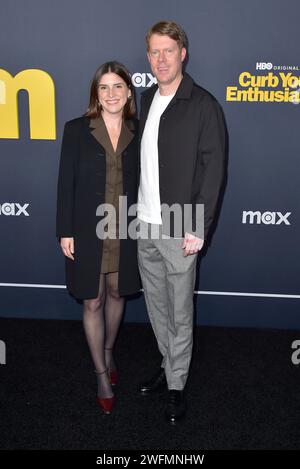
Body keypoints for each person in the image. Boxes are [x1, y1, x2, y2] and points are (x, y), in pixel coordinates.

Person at [137, 21, 226, 423]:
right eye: (154, 52)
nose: (160, 59)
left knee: (179, 310)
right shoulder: (144, 99)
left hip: (180, 226)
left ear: (183, 53)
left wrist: (198, 227)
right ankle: (167, 362)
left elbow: (212, 172)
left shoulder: (203, 104)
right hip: (144, 225)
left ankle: (177, 383)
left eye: (168, 51)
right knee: (157, 307)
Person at [56, 61, 140, 414]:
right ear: (96, 94)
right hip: (88, 229)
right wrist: (65, 230)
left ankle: (108, 349)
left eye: (117, 86)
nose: (111, 94)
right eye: (104, 88)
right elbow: (66, 182)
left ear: (128, 93)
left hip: (127, 228)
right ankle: (101, 373)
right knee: (92, 300)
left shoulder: (141, 129)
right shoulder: (77, 129)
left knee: (118, 292)